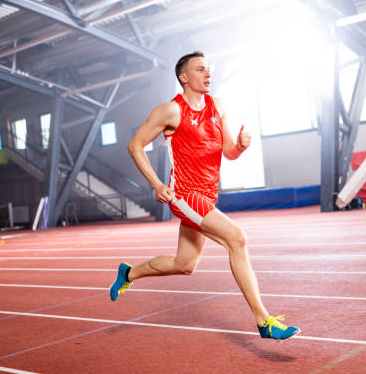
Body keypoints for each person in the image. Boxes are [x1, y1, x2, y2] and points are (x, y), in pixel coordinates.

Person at [109, 51, 300, 341]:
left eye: (208, 69)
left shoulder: (218, 106)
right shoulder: (170, 111)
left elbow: (229, 152)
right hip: (184, 194)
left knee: (185, 264)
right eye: (200, 69)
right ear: (184, 77)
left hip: (207, 196)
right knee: (237, 238)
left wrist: (241, 147)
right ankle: (264, 321)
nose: (208, 74)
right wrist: (157, 184)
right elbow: (135, 145)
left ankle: (129, 273)